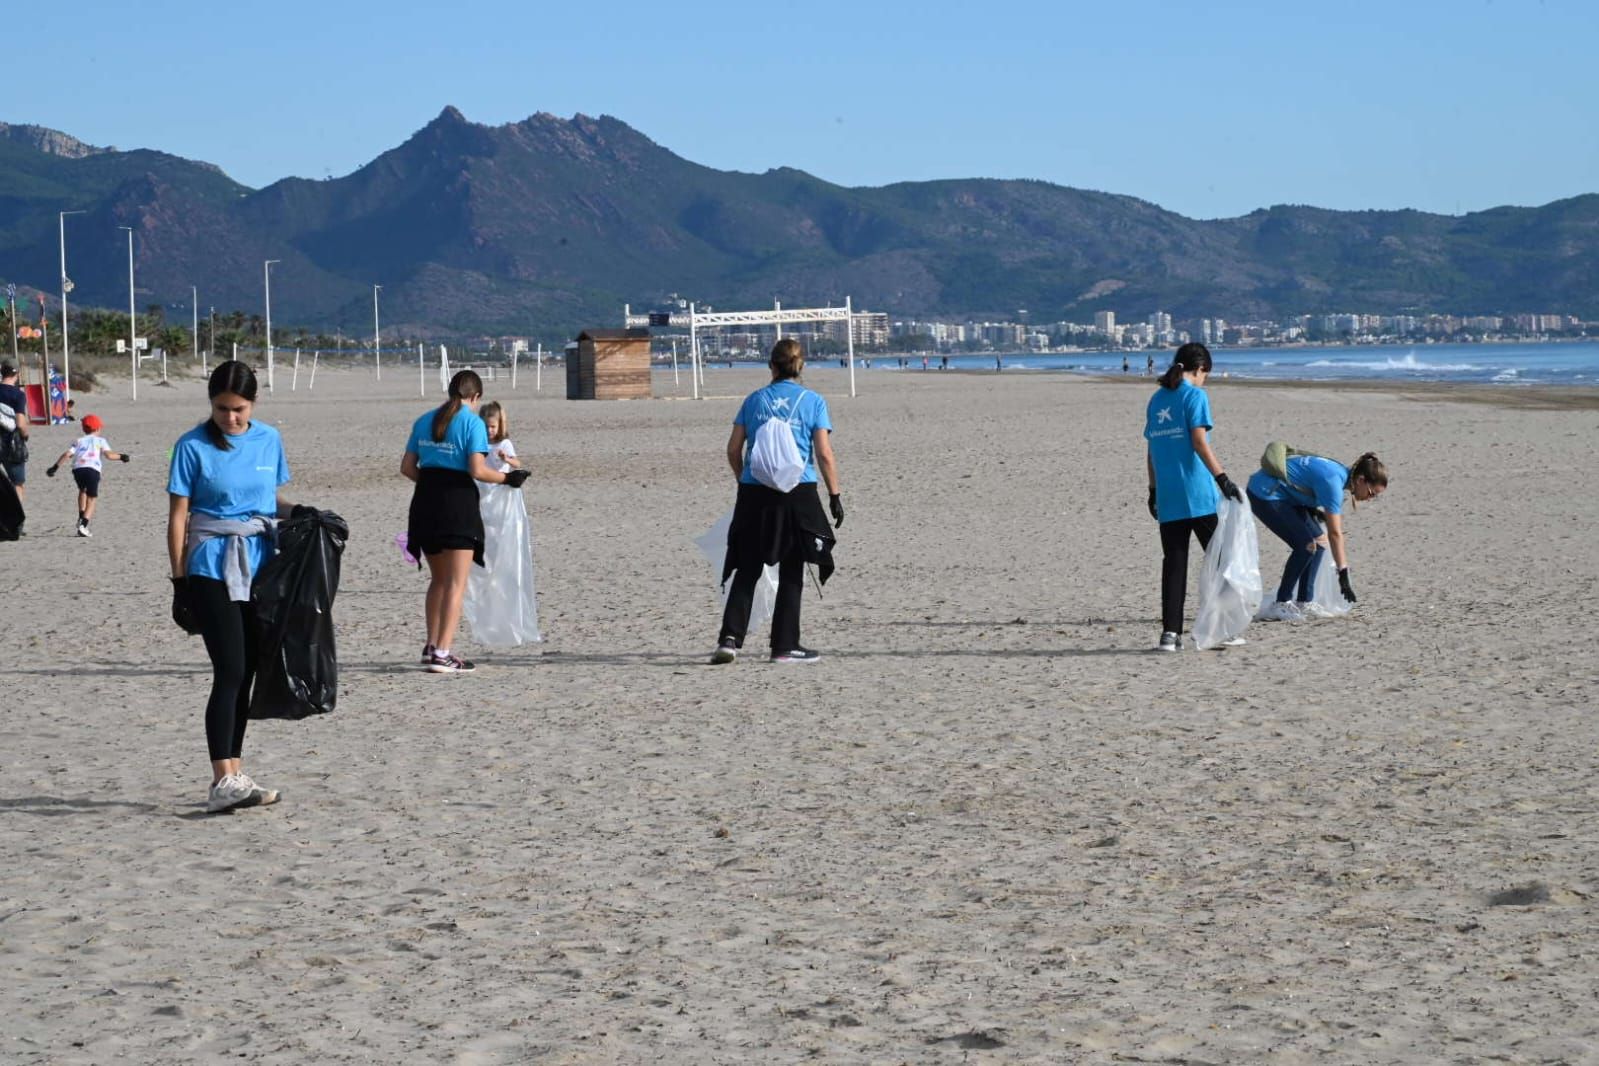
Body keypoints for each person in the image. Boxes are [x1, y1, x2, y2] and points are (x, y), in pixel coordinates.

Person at [166, 361, 295, 813]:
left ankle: (234, 774)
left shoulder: (269, 440)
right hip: (209, 566)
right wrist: (180, 582)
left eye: (238, 409)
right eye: (222, 409)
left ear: (253, 404)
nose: (231, 418)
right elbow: (179, 516)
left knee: (250, 671)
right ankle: (222, 779)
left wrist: (302, 513)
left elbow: (268, 499)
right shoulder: (191, 446)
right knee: (230, 669)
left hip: (259, 565)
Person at [711, 338, 842, 664]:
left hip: (755, 494)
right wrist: (835, 495)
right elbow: (824, 454)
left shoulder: (754, 400)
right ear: (801, 367)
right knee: (793, 567)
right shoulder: (813, 401)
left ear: (771, 366)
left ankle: (729, 639)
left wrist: (745, 480)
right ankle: (784, 646)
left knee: (748, 567)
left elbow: (732, 449)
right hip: (798, 492)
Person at [402, 370, 528, 674]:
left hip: (424, 502)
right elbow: (477, 469)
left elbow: (407, 467)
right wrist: (507, 479)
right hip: (457, 505)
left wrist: (433, 484)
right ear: (475, 397)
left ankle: (431, 645)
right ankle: (443, 654)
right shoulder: (471, 421)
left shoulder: (424, 419)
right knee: (457, 583)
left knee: (439, 580)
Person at [1144, 342, 1243, 652]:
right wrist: (1222, 478)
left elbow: (1151, 451)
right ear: (1199, 369)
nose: (1205, 380)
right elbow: (1200, 442)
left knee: (1174, 564)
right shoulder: (1195, 396)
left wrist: (1153, 490)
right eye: (1206, 374)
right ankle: (1221, 629)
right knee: (1220, 560)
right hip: (1198, 494)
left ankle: (1170, 636)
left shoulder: (1157, 399)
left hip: (1169, 494)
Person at [1247, 451, 1388, 618]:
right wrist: (1342, 572)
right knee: (1305, 546)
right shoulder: (1334, 484)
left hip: (1287, 496)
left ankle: (1305, 602)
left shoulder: (1339, 474)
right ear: (1361, 480)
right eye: (1372, 493)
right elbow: (1335, 534)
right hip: (1264, 494)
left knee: (1320, 542)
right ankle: (1281, 603)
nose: (1370, 498)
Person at [45, 413, 130, 537]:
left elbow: (67, 454)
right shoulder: (101, 441)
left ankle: (81, 515)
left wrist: (55, 467)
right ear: (97, 428)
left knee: (82, 490)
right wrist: (122, 457)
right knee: (92, 498)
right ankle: (83, 525)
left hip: (78, 470)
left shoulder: (78, 441)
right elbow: (109, 455)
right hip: (93, 470)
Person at [0, 362, 29, 514]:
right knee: (17, 483)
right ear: (17, 374)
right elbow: (20, 422)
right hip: (10, 443)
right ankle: (16, 521)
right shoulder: (18, 394)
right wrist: (25, 434)